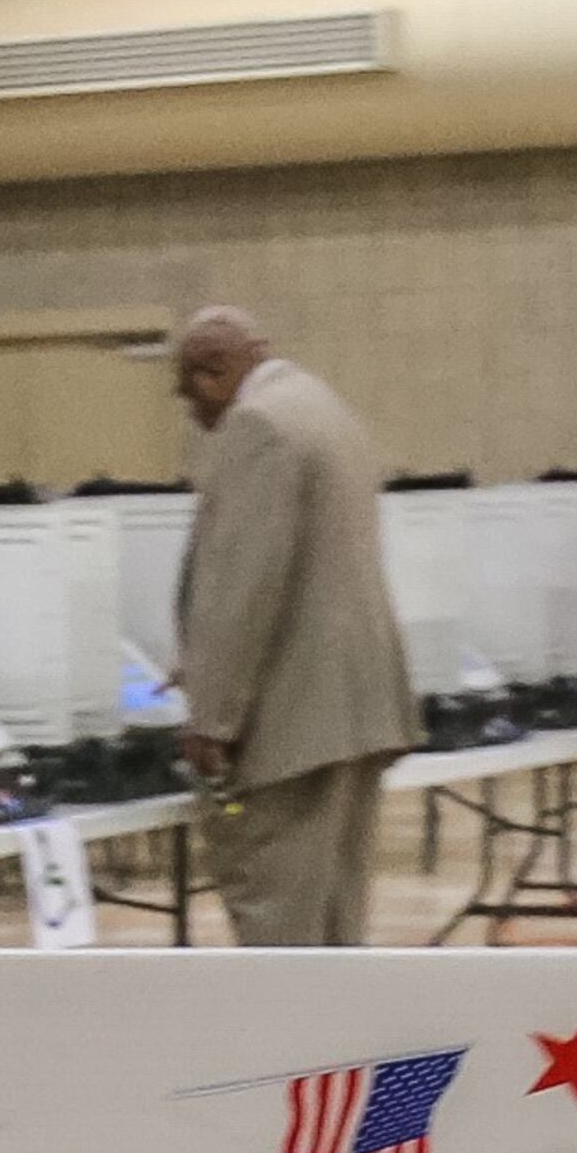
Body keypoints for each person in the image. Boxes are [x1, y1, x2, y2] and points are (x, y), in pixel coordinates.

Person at [168, 305, 419, 946]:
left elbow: (244, 587)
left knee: (279, 921)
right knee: (337, 917)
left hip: (294, 718)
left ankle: (292, 1047)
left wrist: (211, 716)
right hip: (353, 707)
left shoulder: (259, 425)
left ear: (212, 373)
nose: (195, 417)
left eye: (188, 395)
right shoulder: (323, 407)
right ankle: (337, 1043)